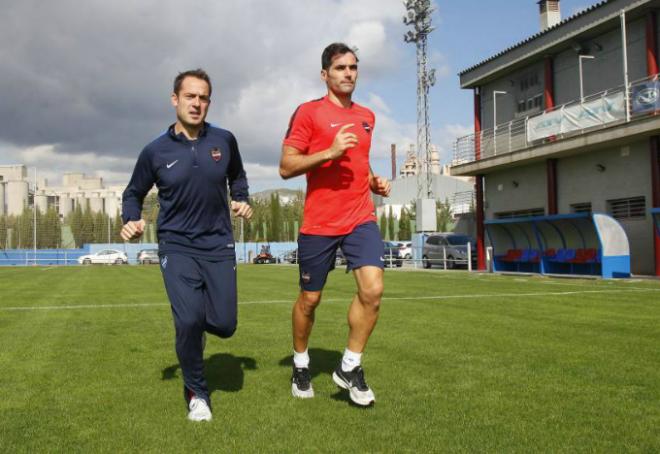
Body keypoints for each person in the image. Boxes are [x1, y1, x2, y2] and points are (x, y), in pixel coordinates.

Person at [121, 68, 252, 421]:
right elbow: (132, 193)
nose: (197, 103)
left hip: (219, 244)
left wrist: (241, 198)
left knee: (225, 324)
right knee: (189, 318)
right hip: (177, 245)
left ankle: (193, 332)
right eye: (190, 96)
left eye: (203, 97)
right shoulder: (155, 151)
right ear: (175, 99)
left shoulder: (224, 140)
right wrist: (130, 219)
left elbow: (237, 176)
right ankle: (197, 393)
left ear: (209, 101)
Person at [279, 43, 391, 406]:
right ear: (325, 74)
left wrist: (373, 181)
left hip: (360, 217)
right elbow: (286, 166)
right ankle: (300, 363)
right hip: (320, 222)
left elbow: (361, 161)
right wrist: (329, 152)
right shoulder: (309, 113)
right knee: (310, 300)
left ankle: (349, 366)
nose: (348, 73)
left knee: (373, 290)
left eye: (353, 67)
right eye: (340, 67)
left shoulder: (367, 116)